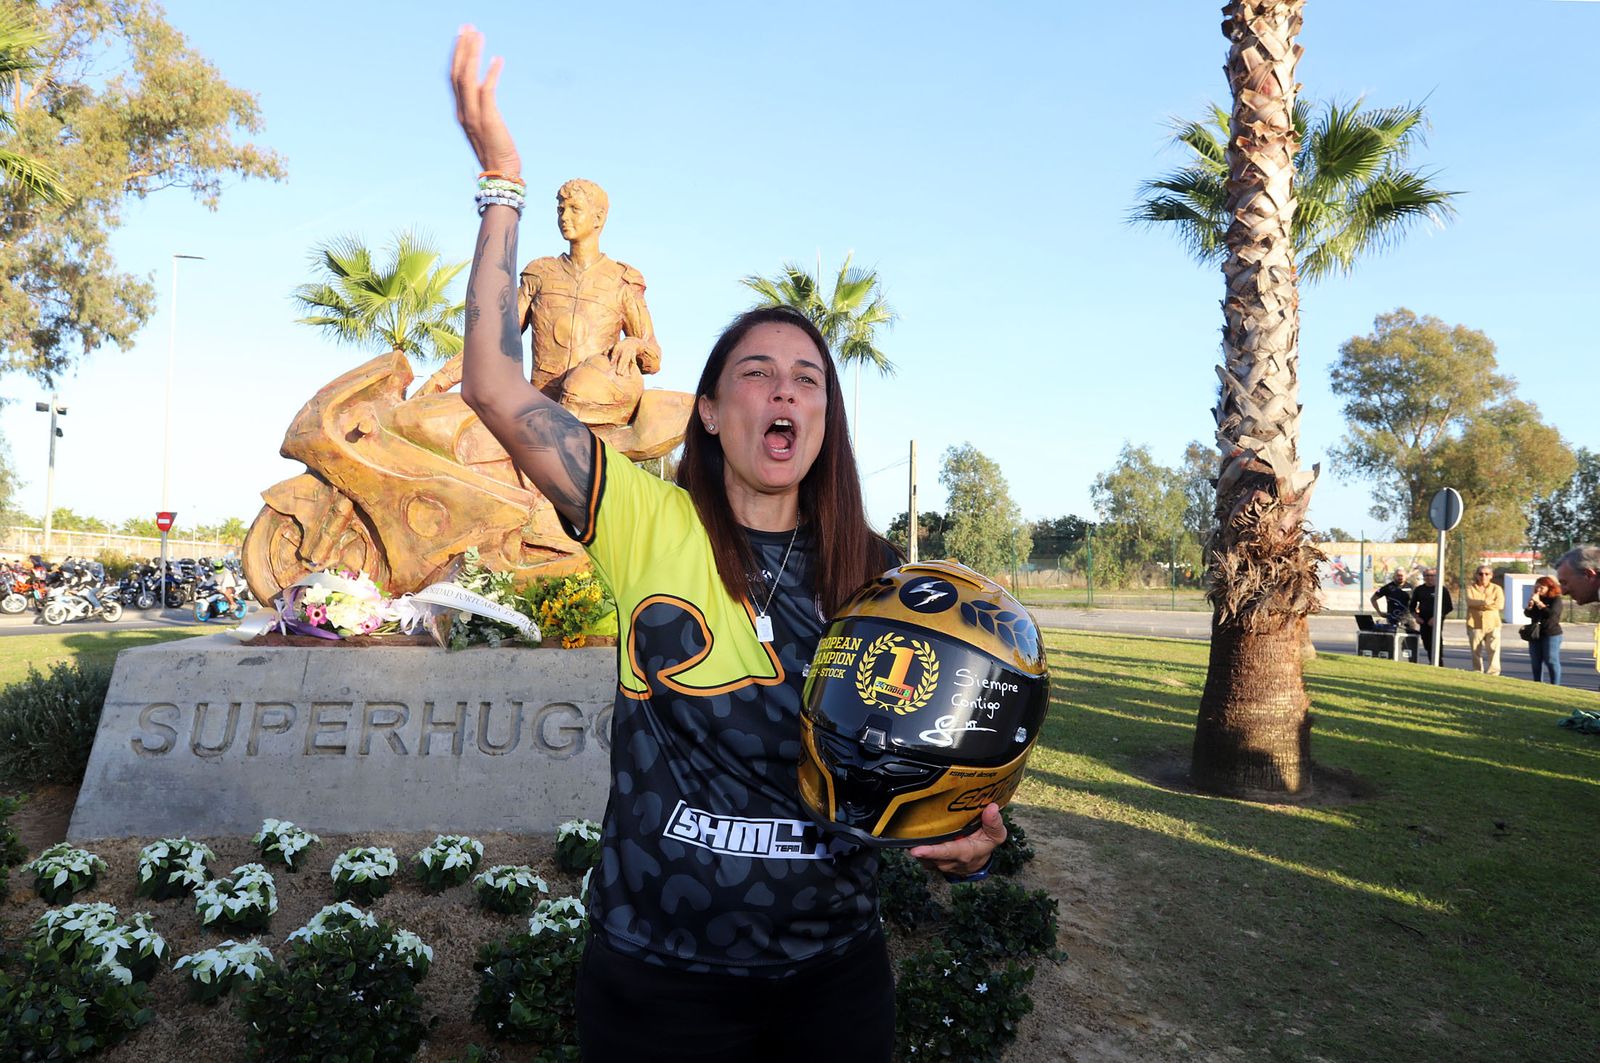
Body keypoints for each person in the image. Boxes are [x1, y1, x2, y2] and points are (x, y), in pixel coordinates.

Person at [448, 28, 1002, 1062]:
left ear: (825, 418)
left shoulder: (884, 587)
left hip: (829, 983)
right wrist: (502, 185)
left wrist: (960, 841)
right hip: (655, 985)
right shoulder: (640, 516)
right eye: (755, 370)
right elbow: (490, 379)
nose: (785, 387)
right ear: (705, 411)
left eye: (807, 375)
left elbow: (924, 783)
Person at [1463, 565, 1505, 675]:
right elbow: (1470, 601)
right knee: (1475, 650)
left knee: (1493, 650)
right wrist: (1486, 602)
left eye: (1487, 574)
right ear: (1476, 575)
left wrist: (1479, 604)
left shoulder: (1497, 589)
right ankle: (1477, 671)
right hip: (1474, 623)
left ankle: (1493, 672)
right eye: (1481, 574)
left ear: (1491, 576)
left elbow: (1499, 605)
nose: (1483, 576)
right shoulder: (1470, 588)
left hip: (1493, 624)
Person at [1524, 576, 1565, 685]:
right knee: (1536, 661)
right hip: (1535, 633)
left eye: (1541, 587)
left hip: (1551, 633)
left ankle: (1555, 685)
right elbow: (1528, 614)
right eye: (1537, 586)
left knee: (1551, 660)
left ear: (1549, 587)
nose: (1538, 589)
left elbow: (1552, 615)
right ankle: (1537, 684)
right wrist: (1530, 605)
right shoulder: (1536, 598)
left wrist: (1539, 603)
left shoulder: (1556, 599)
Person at [1409, 568, 1453, 666]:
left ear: (1436, 577)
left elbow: (1449, 607)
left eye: (1432, 576)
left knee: (1436, 641)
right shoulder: (1419, 590)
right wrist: (1416, 617)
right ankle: (1432, 661)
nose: (1429, 578)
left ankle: (1438, 663)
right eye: (1427, 576)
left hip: (1436, 621)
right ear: (1424, 577)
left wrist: (1437, 617)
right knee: (1427, 642)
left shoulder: (1442, 590)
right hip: (1423, 621)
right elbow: (1412, 607)